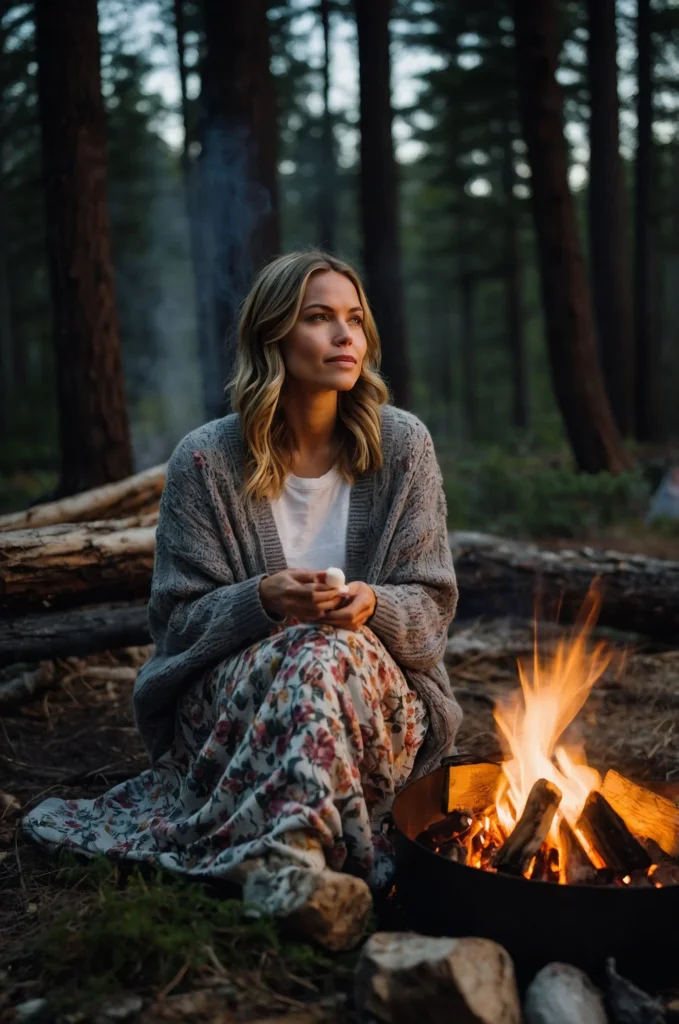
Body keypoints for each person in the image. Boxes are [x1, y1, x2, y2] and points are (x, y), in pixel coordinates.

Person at [22, 250, 461, 950]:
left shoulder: (402, 446)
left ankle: (287, 860)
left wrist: (369, 606)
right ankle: (303, 866)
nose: (345, 336)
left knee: (326, 648)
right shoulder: (206, 460)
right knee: (311, 648)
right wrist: (261, 600)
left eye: (354, 319)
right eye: (318, 319)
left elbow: (432, 604)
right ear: (273, 337)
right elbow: (175, 625)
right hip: (231, 717)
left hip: (373, 709)